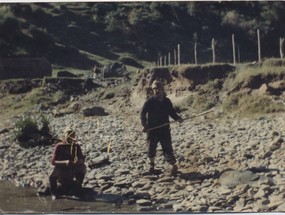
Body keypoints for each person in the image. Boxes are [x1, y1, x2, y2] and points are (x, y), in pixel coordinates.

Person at [140, 80, 183, 176]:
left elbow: (172, 112)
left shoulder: (167, 101)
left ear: (162, 89)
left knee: (167, 148)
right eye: (154, 89)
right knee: (151, 149)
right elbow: (142, 114)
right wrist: (145, 125)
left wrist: (177, 118)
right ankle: (151, 167)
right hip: (153, 130)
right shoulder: (150, 101)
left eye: (158, 88)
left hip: (164, 130)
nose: (156, 91)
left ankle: (173, 165)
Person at [49, 128, 86, 200]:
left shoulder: (76, 146)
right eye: (68, 135)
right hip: (62, 167)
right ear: (64, 136)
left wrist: (80, 161)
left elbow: (81, 158)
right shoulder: (59, 146)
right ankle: (54, 193)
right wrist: (65, 162)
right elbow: (53, 162)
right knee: (53, 175)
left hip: (73, 166)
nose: (70, 138)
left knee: (82, 167)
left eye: (72, 135)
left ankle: (77, 187)